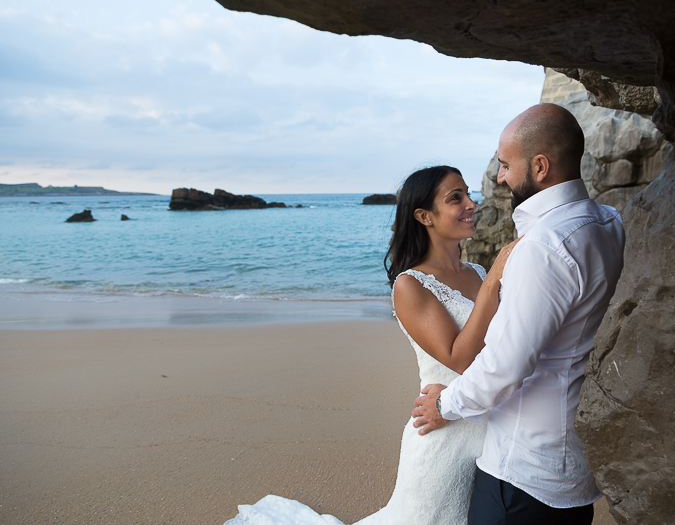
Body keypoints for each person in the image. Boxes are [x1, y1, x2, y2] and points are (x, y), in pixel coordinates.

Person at [222, 165, 518, 525]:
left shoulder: (478, 273)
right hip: (443, 435)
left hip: (490, 427)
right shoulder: (411, 286)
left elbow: (506, 344)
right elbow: (459, 358)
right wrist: (493, 286)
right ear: (424, 216)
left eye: (469, 193)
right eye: (456, 198)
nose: (472, 204)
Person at [412, 103, 626, 525]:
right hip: (573, 456)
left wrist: (444, 405)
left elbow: (505, 366)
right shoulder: (608, 222)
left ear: (541, 166)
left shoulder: (543, 247)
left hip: (524, 467)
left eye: (507, 165)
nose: (499, 177)